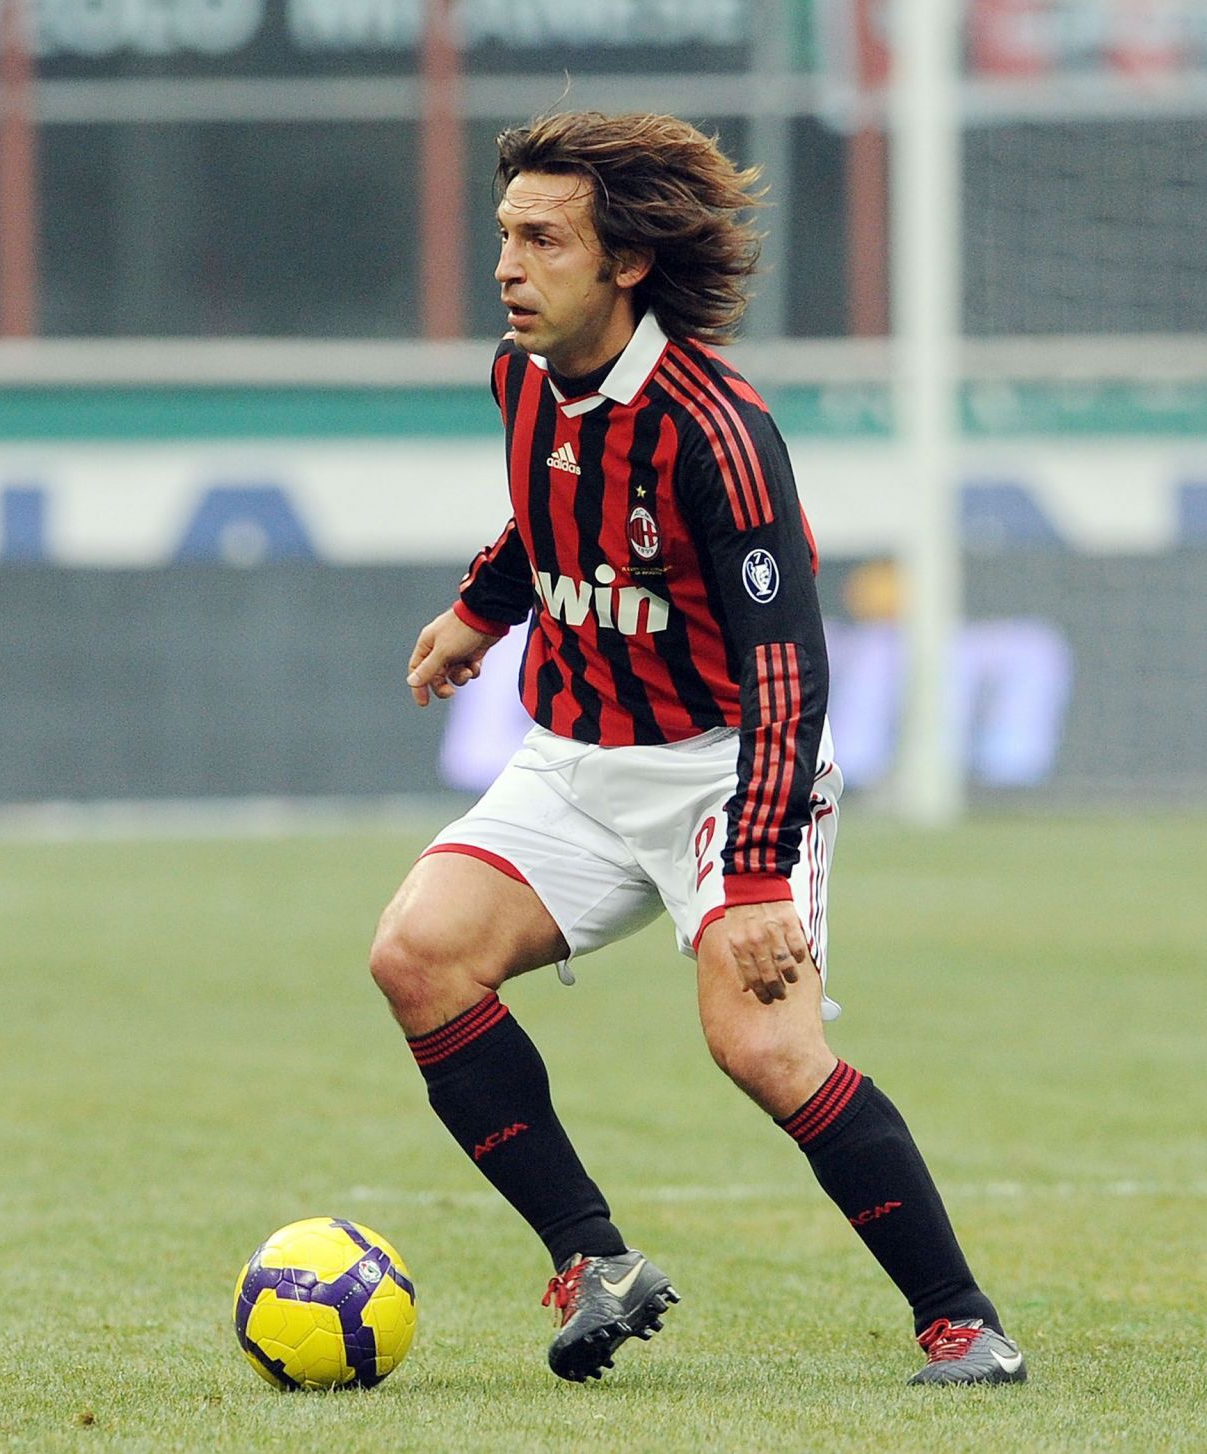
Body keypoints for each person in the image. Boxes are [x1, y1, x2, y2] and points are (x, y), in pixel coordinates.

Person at [368, 111, 1026, 1387]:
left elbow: (789, 663)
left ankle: (961, 1320)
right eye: (504, 233)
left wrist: (763, 868)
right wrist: (478, 612)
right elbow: (546, 521)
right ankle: (590, 1260)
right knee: (418, 955)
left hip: (730, 770)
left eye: (542, 239)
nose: (506, 265)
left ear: (622, 264)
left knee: (764, 1046)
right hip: (574, 755)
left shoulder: (716, 427)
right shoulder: (520, 377)